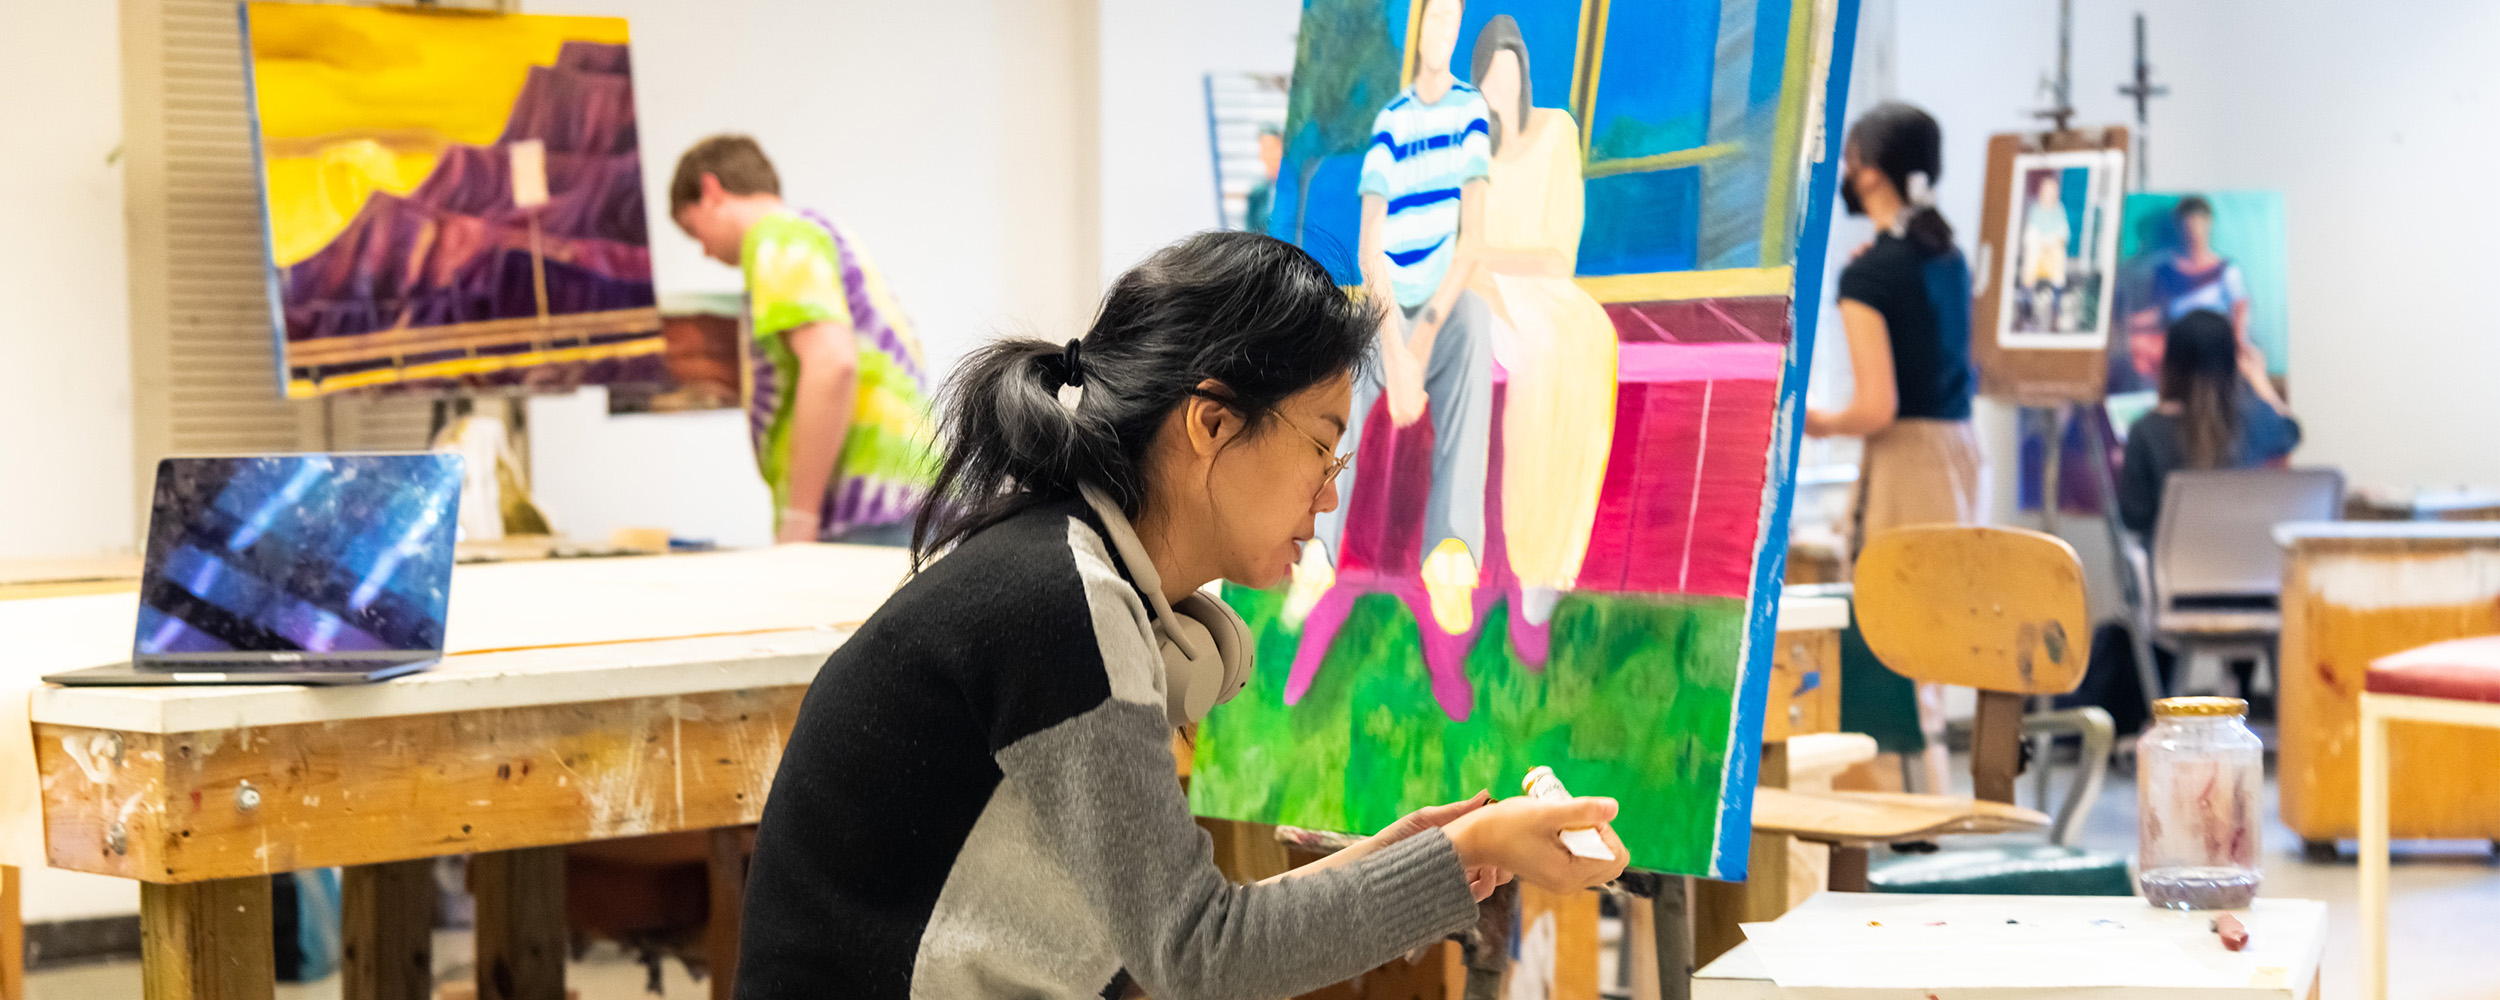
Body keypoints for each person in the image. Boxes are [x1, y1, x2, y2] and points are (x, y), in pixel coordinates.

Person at [731, 232, 1630, 999]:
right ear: (1212, 423)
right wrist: (1464, 848)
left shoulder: (1075, 571)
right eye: (1322, 447)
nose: (1328, 496)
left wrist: (1426, 857)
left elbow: (1171, 931)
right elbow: (1200, 954)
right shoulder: (1060, 602)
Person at [1805, 102, 1978, 794]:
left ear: (1871, 172)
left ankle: (1904, 815)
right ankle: (1924, 804)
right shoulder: (1947, 256)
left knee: (1891, 645)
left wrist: (1817, 423)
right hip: (1959, 458)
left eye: (1849, 161)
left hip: (1907, 463)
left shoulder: (1871, 274)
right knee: (1927, 649)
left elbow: (1876, 406)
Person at [1321, 0, 1496, 635]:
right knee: (1345, 357)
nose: (1444, 30)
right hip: (1386, 297)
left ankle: (1451, 553)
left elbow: (1472, 240)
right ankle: (1314, 546)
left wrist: (1419, 344)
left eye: (1454, 19)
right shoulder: (1391, 120)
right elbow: (1371, 244)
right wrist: (1393, 347)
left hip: (1442, 299)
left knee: (1473, 325)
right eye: (1436, 17)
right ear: (1421, 27)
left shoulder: (1470, 111)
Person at [669, 135, 935, 546]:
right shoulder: (817, 233)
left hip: (864, 502)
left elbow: (832, 362)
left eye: (693, 230)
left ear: (711, 190)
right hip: (900, 494)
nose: (703, 249)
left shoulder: (775, 237)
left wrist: (800, 515)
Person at [1466, 14, 1616, 628]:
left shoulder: (1556, 131)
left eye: (1512, 72)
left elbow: (1559, 252)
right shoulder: (1475, 152)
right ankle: (1526, 554)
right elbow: (1466, 247)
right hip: (1483, 288)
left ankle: (1557, 556)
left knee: (1584, 341)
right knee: (1536, 351)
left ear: (1524, 74)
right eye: (1491, 77)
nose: (1502, 86)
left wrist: (1493, 259)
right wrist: (1483, 269)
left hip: (1545, 287)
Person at [2117, 308, 2300, 542]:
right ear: (2232, 360)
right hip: (2247, 558)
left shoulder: (2146, 431)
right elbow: (2291, 432)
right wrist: (2259, 379)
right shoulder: (2254, 419)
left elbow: (2134, 517)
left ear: (2170, 362)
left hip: (2176, 562)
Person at [2123, 196, 2251, 384]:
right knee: (2139, 346)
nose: (2193, 232)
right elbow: (2161, 312)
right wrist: (2129, 323)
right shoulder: (2165, 268)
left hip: (2213, 344)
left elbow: (2240, 306)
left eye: (2199, 224)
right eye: (2188, 226)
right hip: (2176, 342)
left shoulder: (2227, 269)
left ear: (2208, 225)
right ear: (2179, 227)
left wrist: (2237, 340)